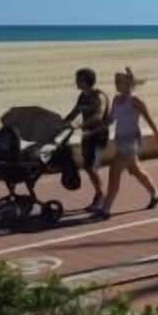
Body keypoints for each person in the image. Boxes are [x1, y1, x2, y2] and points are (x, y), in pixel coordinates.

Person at [96, 67, 158, 220]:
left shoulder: (135, 100)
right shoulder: (116, 99)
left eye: (119, 81)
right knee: (135, 170)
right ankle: (156, 193)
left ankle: (106, 208)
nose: (116, 84)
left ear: (128, 83)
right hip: (120, 139)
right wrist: (100, 124)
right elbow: (112, 119)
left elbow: (148, 118)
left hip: (131, 141)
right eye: (115, 81)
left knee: (114, 171)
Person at [63, 68, 110, 211]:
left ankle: (101, 197)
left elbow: (98, 116)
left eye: (78, 79)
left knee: (91, 167)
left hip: (99, 135)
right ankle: (99, 194)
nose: (76, 82)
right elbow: (74, 112)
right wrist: (61, 123)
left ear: (85, 81)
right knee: (88, 167)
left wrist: (80, 125)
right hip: (87, 135)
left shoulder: (99, 96)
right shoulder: (82, 96)